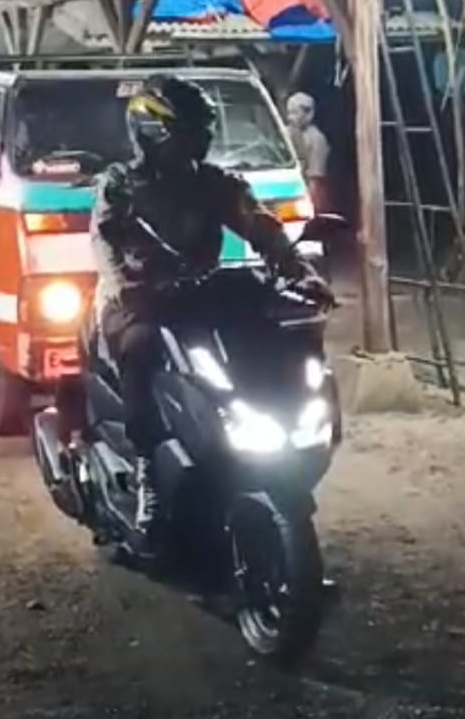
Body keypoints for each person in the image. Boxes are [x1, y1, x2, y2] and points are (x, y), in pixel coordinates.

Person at [90, 74, 333, 531]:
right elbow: (104, 240)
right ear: (154, 132)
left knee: (266, 324)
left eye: (201, 131)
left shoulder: (215, 183)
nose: (197, 141)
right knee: (141, 348)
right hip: (140, 301)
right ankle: (147, 467)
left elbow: (260, 226)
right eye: (187, 132)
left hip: (197, 291)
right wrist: (124, 284)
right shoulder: (121, 184)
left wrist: (301, 271)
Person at [285, 91, 331, 213]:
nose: (290, 117)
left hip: (306, 194)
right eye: (289, 112)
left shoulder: (317, 139)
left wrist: (309, 206)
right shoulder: (285, 133)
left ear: (308, 114)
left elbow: (315, 179)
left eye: (295, 113)